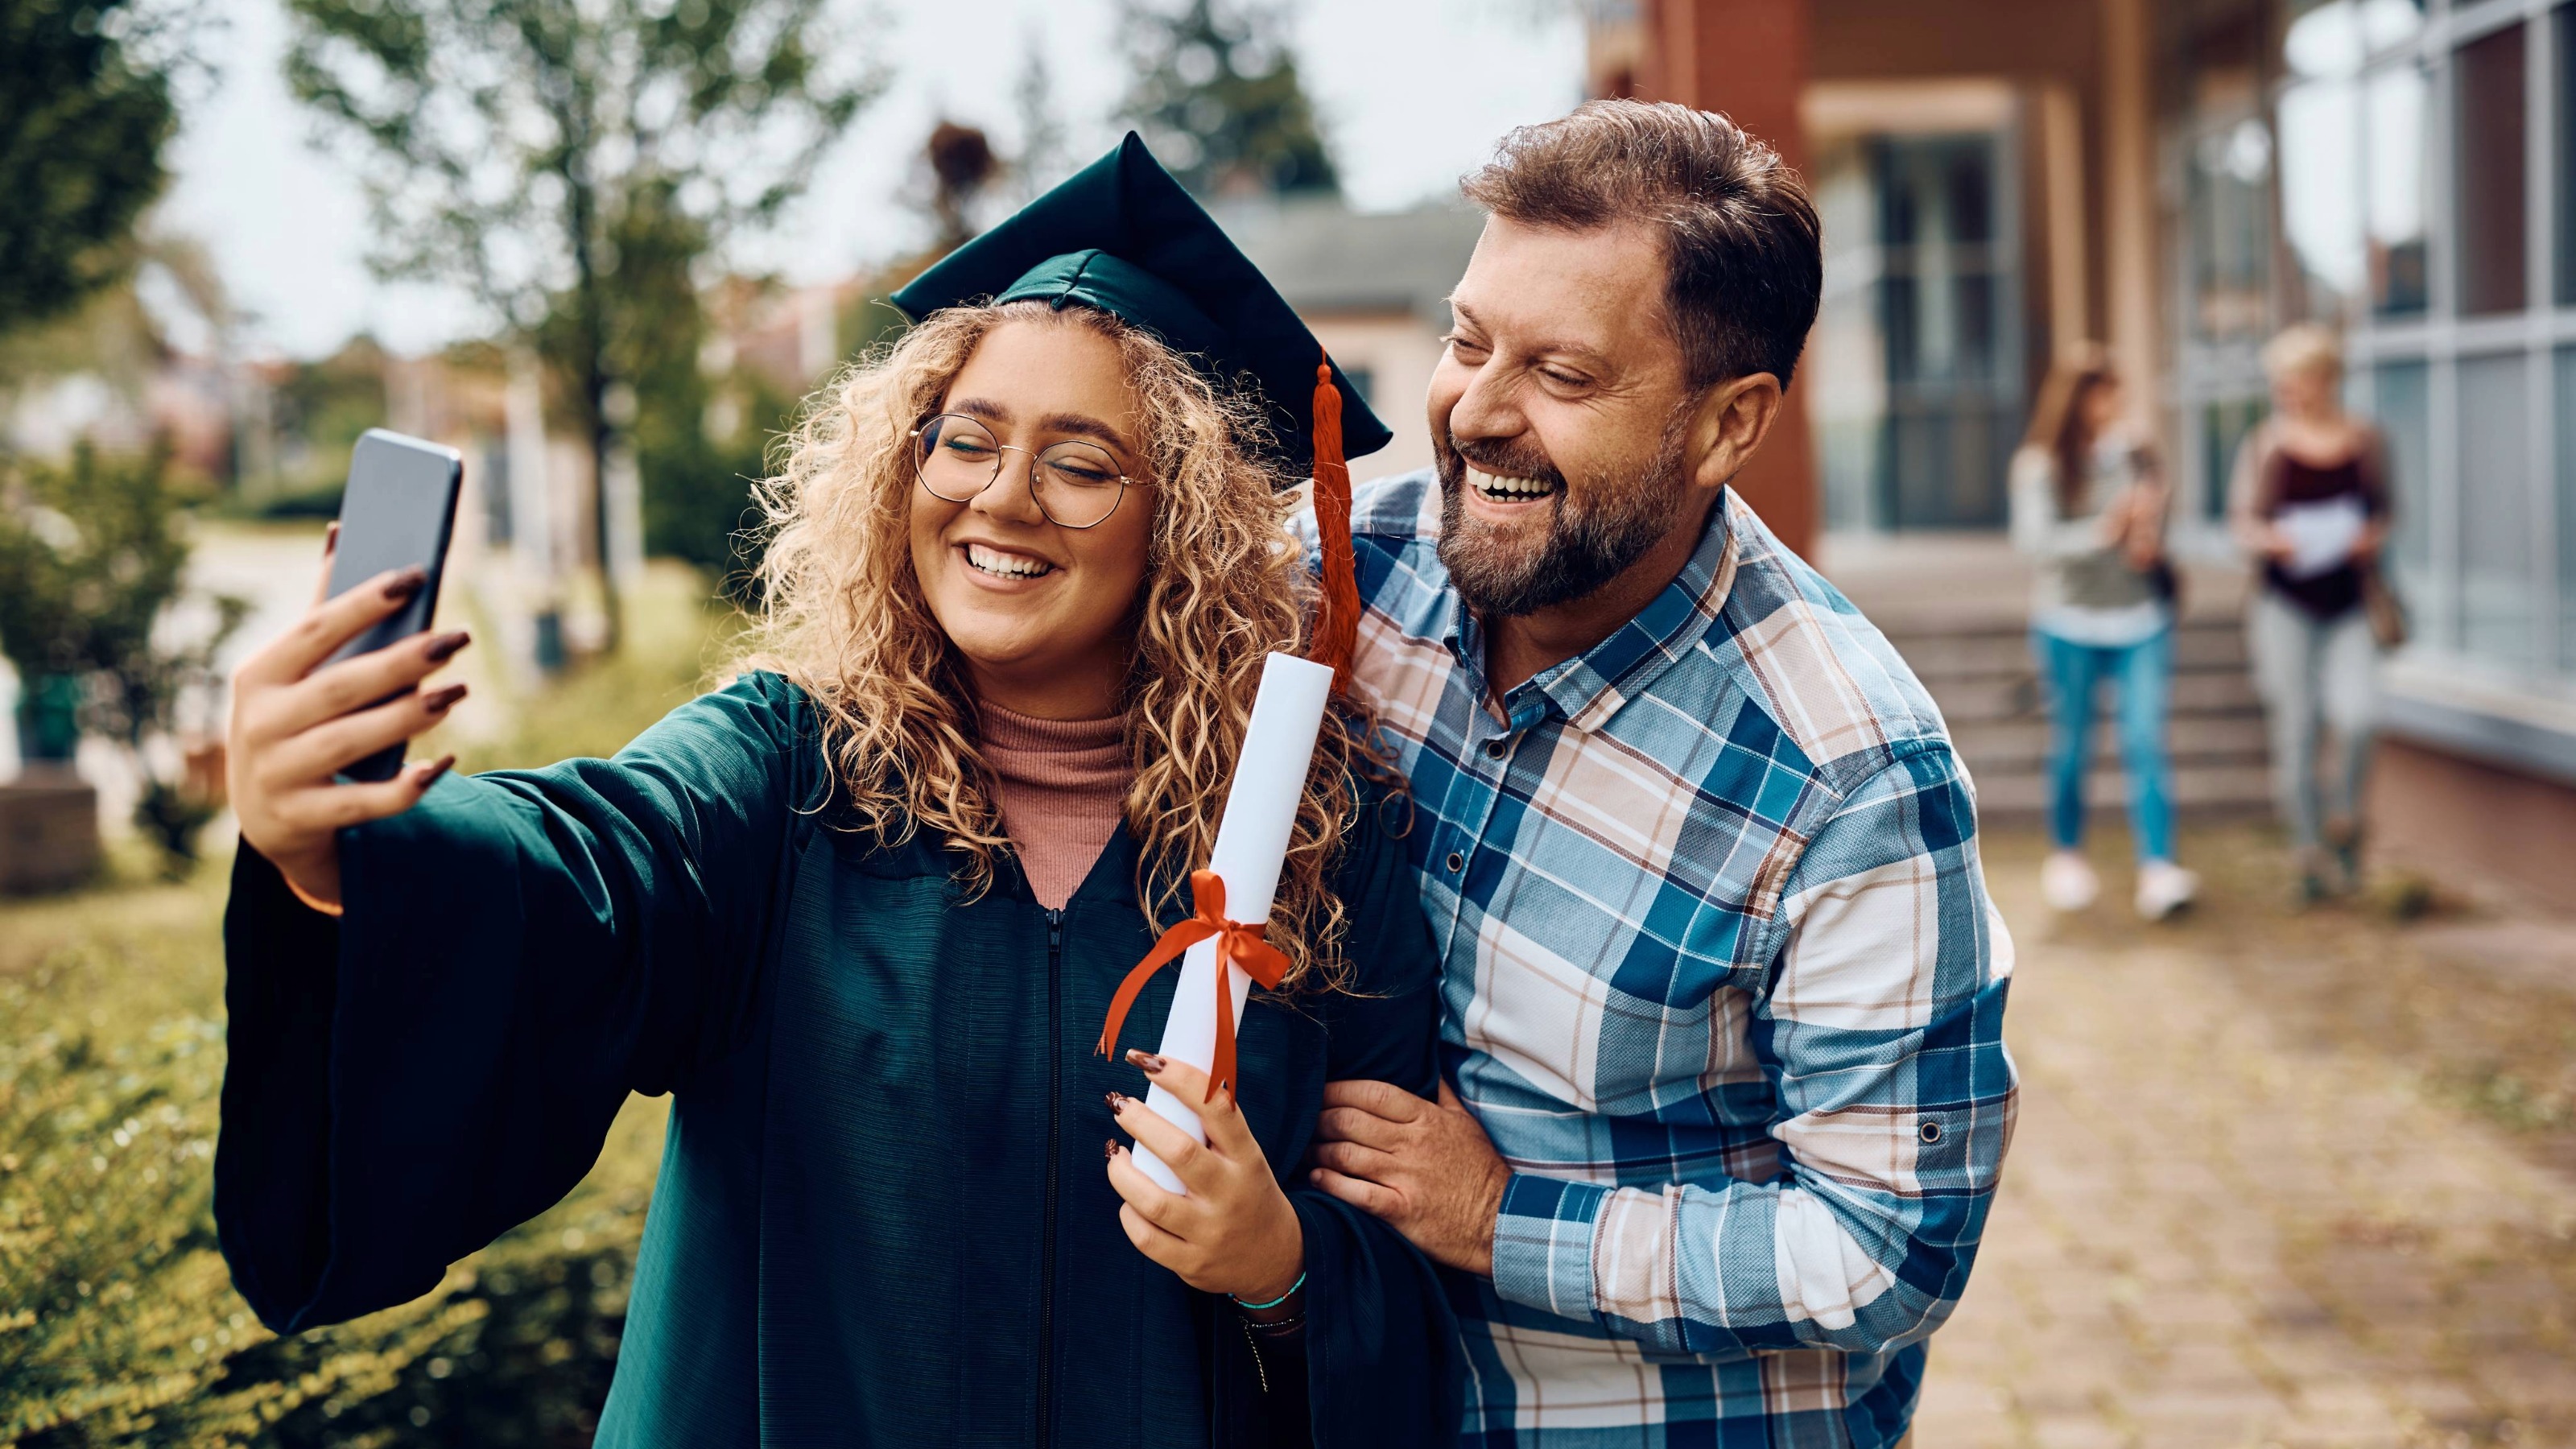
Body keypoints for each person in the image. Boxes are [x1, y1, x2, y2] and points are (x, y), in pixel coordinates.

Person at [214, 137, 1459, 1448]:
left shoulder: (1319, 848)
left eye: (1084, 464)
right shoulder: (792, 778)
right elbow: (593, 859)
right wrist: (349, 848)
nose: (1003, 497)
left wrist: (1277, 1263)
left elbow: (1403, 1293)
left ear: (1188, 522)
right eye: (965, 439)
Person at [1298, 101, 2017, 1448]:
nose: (1478, 415)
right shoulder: (1344, 572)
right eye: (1466, 344)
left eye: (1564, 378)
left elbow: (1888, 1252)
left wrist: (1506, 1221)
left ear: (1727, 426)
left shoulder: (1851, 778)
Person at [2008, 348, 2198, 920]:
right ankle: (2068, 856)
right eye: (2103, 392)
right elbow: (2037, 545)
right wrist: (2103, 532)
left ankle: (2160, 868)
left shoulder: (2135, 454)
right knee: (2073, 744)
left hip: (2140, 619)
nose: (2113, 405)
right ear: (2075, 398)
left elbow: (2155, 530)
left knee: (2145, 739)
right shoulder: (2039, 463)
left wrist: (2146, 539)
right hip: (2069, 621)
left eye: (2117, 392)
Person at [2228, 323, 2392, 903]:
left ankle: (2345, 826)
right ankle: (2308, 856)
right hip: (2285, 604)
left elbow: (2386, 510)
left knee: (2358, 718)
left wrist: (2370, 537)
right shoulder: (2267, 444)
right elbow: (2243, 522)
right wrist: (2273, 541)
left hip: (2349, 603)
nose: (2289, 393)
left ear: (2326, 380)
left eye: (2298, 381)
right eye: (2282, 383)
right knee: (2296, 730)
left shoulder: (2365, 440)